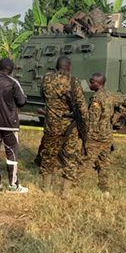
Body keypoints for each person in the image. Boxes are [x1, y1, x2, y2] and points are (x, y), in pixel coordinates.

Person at [39, 56, 88, 194]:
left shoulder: (46, 79)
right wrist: (85, 126)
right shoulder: (73, 82)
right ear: (69, 67)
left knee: (48, 155)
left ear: (56, 66)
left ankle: (46, 188)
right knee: (71, 157)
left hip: (51, 125)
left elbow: (43, 97)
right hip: (69, 127)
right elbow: (82, 108)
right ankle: (65, 192)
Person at [0, 58, 28, 193]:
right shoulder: (13, 82)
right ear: (11, 69)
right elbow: (21, 102)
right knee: (12, 154)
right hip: (9, 125)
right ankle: (13, 185)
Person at [83, 73, 114, 194]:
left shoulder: (96, 98)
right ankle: (105, 189)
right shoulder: (110, 96)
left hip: (96, 136)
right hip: (107, 135)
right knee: (104, 163)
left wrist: (86, 136)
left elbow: (93, 119)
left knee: (85, 161)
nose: (90, 84)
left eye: (92, 82)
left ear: (98, 84)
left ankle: (71, 186)